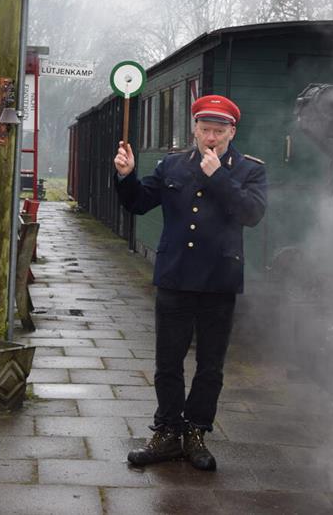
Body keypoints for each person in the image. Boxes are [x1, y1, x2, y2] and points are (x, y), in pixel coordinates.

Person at [114, 94, 267, 471]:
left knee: (210, 365)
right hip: (176, 276)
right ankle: (167, 432)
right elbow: (138, 203)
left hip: (219, 280)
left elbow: (252, 214)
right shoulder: (171, 165)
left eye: (218, 130)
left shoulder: (248, 169)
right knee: (168, 362)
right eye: (204, 129)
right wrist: (126, 175)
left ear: (232, 131)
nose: (210, 137)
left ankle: (197, 432)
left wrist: (219, 177)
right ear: (194, 129)